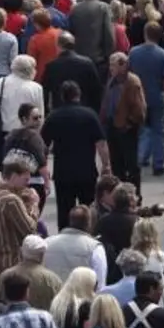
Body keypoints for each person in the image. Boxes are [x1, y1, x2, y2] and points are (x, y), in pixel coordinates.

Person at [41, 82, 110, 223]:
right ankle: (89, 236)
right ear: (78, 95)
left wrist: (44, 168)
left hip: (63, 172)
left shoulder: (54, 116)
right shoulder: (90, 115)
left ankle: (65, 237)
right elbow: (101, 143)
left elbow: (43, 146)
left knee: (64, 211)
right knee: (89, 209)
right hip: (87, 171)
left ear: (62, 96)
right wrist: (106, 165)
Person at [127, 22, 164, 176]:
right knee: (158, 131)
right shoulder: (163, 55)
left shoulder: (133, 53)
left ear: (145, 33)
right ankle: (158, 163)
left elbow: (127, 75)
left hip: (137, 97)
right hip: (156, 97)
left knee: (140, 130)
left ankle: (139, 159)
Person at [0, 161, 38, 278]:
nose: (27, 184)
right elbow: (30, 230)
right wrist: (34, 204)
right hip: (11, 263)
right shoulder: (11, 200)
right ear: (14, 176)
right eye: (25, 179)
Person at [100, 53, 147, 190]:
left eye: (113, 65)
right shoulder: (112, 80)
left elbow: (139, 108)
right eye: (110, 65)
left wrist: (129, 123)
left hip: (126, 129)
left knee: (131, 165)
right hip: (112, 127)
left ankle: (135, 195)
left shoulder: (132, 82)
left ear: (123, 65)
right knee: (116, 165)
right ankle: (120, 194)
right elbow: (107, 101)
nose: (111, 68)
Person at [0, 58, 44, 169]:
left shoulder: (1, 82)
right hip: (28, 134)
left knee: (4, 168)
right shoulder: (36, 88)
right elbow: (39, 114)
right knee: (25, 168)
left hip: (4, 132)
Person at [0, 235, 63, 313]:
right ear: (42, 255)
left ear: (21, 252)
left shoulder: (5, 276)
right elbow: (60, 308)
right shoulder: (53, 280)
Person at [43, 207, 108, 293]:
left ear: (70, 221)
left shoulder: (47, 243)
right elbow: (100, 284)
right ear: (89, 224)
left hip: (52, 300)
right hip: (82, 302)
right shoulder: (95, 248)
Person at [42, 32, 104, 113]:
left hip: (60, 111)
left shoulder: (52, 66)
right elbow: (96, 90)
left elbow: (45, 92)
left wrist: (46, 112)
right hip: (84, 109)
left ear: (58, 46)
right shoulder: (87, 63)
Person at [67, 0, 114, 79]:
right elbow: (108, 34)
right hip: (97, 59)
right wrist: (109, 55)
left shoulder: (75, 8)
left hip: (78, 57)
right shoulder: (103, 7)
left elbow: (70, 31)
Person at [96, 185, 140, 286]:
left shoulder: (103, 221)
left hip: (110, 269)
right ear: (130, 201)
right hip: (131, 268)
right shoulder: (136, 222)